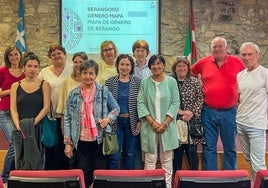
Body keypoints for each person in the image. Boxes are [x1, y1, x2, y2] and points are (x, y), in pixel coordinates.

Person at [191, 36, 245, 170]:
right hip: (208, 112)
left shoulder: (237, 62)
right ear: (211, 49)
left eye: (220, 46)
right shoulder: (203, 62)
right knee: (209, 146)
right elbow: (190, 71)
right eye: (214, 47)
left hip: (229, 112)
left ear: (226, 48)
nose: (217, 49)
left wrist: (239, 97)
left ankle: (231, 177)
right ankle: (211, 177)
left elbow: (245, 77)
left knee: (230, 147)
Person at [64, 60, 120, 188]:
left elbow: (116, 108)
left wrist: (108, 119)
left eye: (91, 73)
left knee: (99, 171)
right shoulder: (73, 94)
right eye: (85, 73)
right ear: (80, 74)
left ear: (96, 75)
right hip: (80, 139)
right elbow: (67, 118)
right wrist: (68, 143)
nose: (88, 76)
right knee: (84, 171)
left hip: (99, 139)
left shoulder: (103, 91)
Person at [137, 55, 179, 188]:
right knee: (150, 161)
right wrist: (152, 122)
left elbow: (175, 102)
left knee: (167, 161)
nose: (156, 66)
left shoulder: (171, 82)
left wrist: (165, 123)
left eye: (159, 63)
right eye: (153, 64)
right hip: (150, 127)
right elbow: (141, 103)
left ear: (163, 65)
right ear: (150, 67)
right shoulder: (145, 82)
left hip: (167, 126)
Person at [10, 52, 51, 170]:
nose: (32, 69)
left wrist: (33, 123)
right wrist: (18, 125)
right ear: (24, 67)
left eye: (35, 66)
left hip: (38, 127)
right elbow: (13, 108)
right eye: (29, 66)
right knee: (20, 157)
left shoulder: (44, 84)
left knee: (38, 158)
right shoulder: (15, 86)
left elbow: (46, 107)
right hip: (20, 128)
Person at [236, 42, 268, 180]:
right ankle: (256, 183)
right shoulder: (240, 75)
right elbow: (240, 98)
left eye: (250, 54)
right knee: (249, 159)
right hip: (241, 123)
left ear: (257, 56)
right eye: (244, 55)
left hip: (257, 125)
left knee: (258, 164)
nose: (247, 57)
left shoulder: (265, 73)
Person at [38, 45, 72, 170]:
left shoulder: (72, 68)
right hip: (51, 116)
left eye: (59, 53)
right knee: (52, 145)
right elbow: (38, 90)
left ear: (65, 55)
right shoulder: (44, 72)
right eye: (54, 54)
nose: (57, 56)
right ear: (50, 57)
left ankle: (67, 174)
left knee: (67, 145)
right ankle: (52, 174)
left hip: (69, 116)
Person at [105, 54, 141, 169]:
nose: (124, 67)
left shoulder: (138, 82)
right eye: (122, 64)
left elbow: (141, 103)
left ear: (131, 67)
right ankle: (113, 182)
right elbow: (105, 104)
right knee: (114, 155)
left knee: (129, 155)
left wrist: (140, 120)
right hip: (115, 123)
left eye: (127, 65)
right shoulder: (109, 82)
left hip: (132, 122)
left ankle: (127, 182)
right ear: (117, 66)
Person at [171, 56, 205, 171]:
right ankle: (176, 180)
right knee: (176, 155)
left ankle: (194, 179)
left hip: (192, 124)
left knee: (192, 154)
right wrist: (179, 112)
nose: (182, 68)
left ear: (188, 67)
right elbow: (166, 101)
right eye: (179, 66)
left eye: (184, 66)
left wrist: (191, 113)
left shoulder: (195, 82)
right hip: (174, 123)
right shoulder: (170, 82)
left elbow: (200, 99)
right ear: (174, 68)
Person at [56, 52, 88, 168]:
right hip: (71, 125)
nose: (78, 64)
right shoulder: (66, 83)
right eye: (76, 62)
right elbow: (63, 108)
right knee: (71, 158)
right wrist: (63, 127)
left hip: (87, 127)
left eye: (81, 62)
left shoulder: (92, 81)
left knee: (85, 158)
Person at [0, 46, 25, 183]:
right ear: (7, 57)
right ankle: (5, 176)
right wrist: (12, 90)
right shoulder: (2, 71)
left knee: (20, 144)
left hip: (21, 112)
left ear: (20, 55)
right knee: (14, 145)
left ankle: (16, 174)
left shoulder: (25, 72)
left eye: (16, 54)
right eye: (11, 55)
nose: (14, 57)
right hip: (5, 112)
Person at [132, 40, 152, 169]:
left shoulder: (151, 68)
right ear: (133, 53)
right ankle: (136, 169)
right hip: (132, 106)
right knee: (135, 142)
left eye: (142, 51)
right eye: (137, 50)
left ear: (147, 53)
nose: (140, 53)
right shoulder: (129, 67)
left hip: (148, 108)